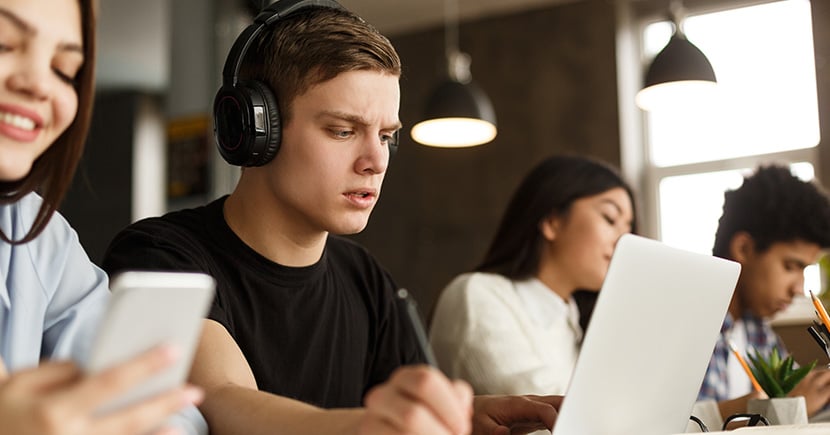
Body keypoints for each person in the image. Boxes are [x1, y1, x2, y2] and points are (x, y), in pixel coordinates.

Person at [102, 1, 562, 434]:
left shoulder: (365, 279)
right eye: (343, 131)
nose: (375, 161)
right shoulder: (160, 256)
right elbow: (223, 397)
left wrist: (466, 418)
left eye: (386, 136)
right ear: (256, 130)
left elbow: (402, 413)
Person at [0, 0, 205, 434]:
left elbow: (166, 411)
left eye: (64, 69)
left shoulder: (36, 233)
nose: (40, 84)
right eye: (3, 43)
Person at [429, 155, 636, 396]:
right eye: (610, 218)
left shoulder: (575, 321)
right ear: (552, 221)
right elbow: (543, 420)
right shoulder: (476, 295)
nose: (625, 240)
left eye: (628, 227)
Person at [695, 164, 830, 424]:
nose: (798, 289)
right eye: (791, 266)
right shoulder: (692, 329)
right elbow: (677, 424)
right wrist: (784, 405)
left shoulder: (759, 335)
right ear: (744, 248)